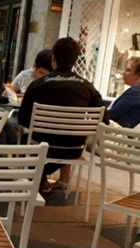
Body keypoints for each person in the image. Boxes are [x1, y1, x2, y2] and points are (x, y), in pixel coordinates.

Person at [18, 37, 109, 196]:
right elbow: (104, 119)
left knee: (23, 139)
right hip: (73, 149)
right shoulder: (87, 87)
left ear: (53, 59)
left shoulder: (38, 85)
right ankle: (41, 180)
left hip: (41, 147)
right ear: (75, 61)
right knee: (57, 143)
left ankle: (36, 178)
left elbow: (23, 120)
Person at [109, 57, 140, 128]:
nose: (124, 73)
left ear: (138, 75)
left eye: (128, 70)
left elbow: (113, 113)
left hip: (119, 132)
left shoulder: (135, 92)